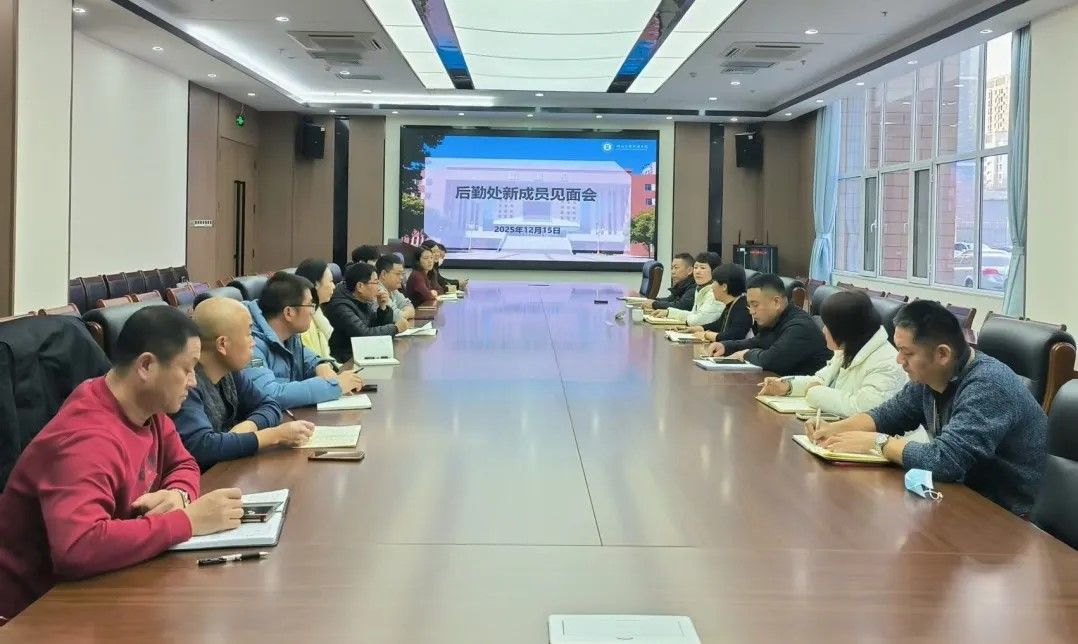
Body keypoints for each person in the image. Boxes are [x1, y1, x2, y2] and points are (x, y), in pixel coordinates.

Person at [0, 306, 244, 620]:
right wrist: (187, 521)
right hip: (32, 613)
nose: (193, 382)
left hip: (97, 585)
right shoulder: (86, 439)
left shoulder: (148, 409)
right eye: (187, 369)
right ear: (146, 366)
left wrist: (179, 494)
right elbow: (77, 547)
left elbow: (183, 463)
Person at [806, 300, 1047, 516]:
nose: (899, 360)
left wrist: (878, 443)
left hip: (1007, 515)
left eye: (907, 353)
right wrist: (834, 429)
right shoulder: (930, 377)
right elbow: (887, 415)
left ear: (942, 354)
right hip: (961, 498)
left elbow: (944, 461)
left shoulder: (988, 385)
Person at [172, 297, 316, 471]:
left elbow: (270, 405)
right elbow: (203, 447)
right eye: (248, 334)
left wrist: (244, 429)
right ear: (222, 344)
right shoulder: (186, 385)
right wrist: (274, 436)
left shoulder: (229, 372)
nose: (253, 342)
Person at [758, 290, 907, 418]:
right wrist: (787, 386)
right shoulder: (849, 349)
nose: (823, 330)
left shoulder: (886, 363)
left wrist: (815, 393)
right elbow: (820, 380)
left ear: (844, 329)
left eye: (828, 326)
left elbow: (862, 408)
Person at [244, 272, 364, 409]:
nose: (313, 311)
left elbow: (308, 358)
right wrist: (334, 386)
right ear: (289, 313)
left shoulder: (290, 336)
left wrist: (320, 365)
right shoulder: (250, 343)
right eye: (310, 305)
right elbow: (269, 394)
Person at [707, 273, 831, 376]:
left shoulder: (800, 327)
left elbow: (771, 360)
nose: (751, 311)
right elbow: (756, 342)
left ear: (776, 302)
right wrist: (725, 346)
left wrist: (746, 354)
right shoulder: (776, 319)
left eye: (755, 305)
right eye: (750, 305)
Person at [326, 262, 411, 363]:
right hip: (346, 361)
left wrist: (383, 308)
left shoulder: (362, 299)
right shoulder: (340, 307)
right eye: (375, 283)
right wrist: (395, 328)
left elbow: (375, 326)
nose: (379, 288)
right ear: (360, 286)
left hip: (363, 354)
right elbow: (364, 334)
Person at [648, 253, 724, 326]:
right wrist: (668, 312)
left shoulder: (715, 292)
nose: (697, 271)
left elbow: (698, 320)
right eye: (696, 267)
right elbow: (694, 314)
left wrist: (658, 306)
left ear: (714, 271)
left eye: (702, 268)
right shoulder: (700, 289)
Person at [683, 263, 753, 342]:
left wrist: (706, 335)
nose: (711, 287)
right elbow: (718, 325)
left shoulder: (743, 308)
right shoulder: (732, 304)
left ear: (724, 287)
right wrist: (696, 329)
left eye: (714, 282)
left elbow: (734, 336)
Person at [295, 258, 336, 362]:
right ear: (316, 284)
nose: (334, 286)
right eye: (331, 281)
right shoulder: (302, 324)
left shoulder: (317, 313)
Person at [375, 254, 416, 322]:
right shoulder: (378, 290)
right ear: (383, 274)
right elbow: (395, 317)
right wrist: (404, 314)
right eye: (398, 274)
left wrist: (402, 314)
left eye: (402, 274)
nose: (401, 277)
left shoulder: (392, 290)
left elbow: (409, 305)